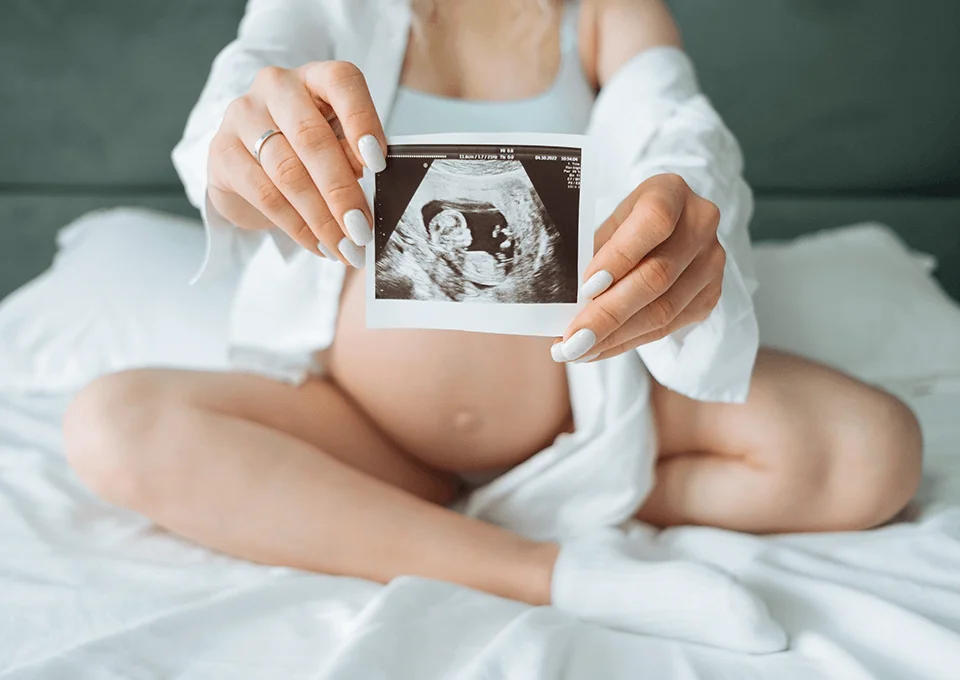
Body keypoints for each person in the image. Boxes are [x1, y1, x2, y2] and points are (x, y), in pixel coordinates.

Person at [62, 0, 922, 653]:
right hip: (365, 431)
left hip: (593, 416)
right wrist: (238, 150)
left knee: (875, 451)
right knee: (112, 425)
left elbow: (677, 127)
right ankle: (546, 571)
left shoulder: (606, 14)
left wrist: (687, 200)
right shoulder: (317, 9)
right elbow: (237, 105)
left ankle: (473, 507)